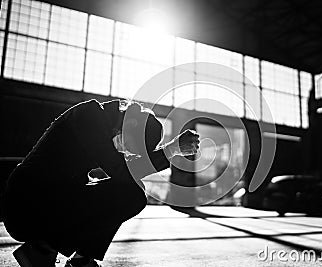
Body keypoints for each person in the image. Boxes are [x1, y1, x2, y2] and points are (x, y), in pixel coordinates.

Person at [2, 99, 200, 267]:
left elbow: (125, 171)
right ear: (130, 125)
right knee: (132, 193)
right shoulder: (90, 117)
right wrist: (172, 149)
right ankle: (42, 250)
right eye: (131, 146)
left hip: (46, 201)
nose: (127, 152)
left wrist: (171, 150)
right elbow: (123, 171)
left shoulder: (102, 124)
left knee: (130, 189)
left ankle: (80, 259)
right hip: (25, 207)